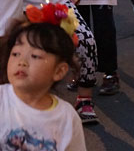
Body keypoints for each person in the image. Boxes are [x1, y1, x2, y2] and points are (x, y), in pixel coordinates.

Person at [0, 22, 86, 150]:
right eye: (16, 54)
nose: (22, 62)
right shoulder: (2, 98)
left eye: (35, 56)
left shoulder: (66, 117)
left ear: (59, 71)